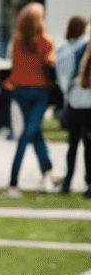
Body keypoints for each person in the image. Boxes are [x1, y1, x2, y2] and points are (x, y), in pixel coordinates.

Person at [4, 0, 57, 197]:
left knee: (33, 133)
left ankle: (46, 174)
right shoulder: (45, 41)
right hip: (39, 92)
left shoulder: (17, 42)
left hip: (20, 91)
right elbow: (49, 64)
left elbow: (15, 64)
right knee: (28, 134)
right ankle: (14, 182)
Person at [56, 16, 91, 193]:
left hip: (74, 101)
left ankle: (67, 181)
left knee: (73, 144)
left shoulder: (64, 47)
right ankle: (88, 183)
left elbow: (64, 77)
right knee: (88, 144)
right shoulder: (84, 46)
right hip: (88, 102)